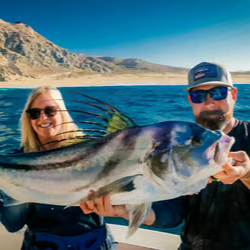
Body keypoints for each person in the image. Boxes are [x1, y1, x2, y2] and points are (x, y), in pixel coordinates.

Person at [80, 62, 250, 250]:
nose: (209, 102)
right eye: (198, 95)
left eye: (218, 93)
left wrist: (247, 174)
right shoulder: (181, 147)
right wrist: (124, 209)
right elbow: (175, 212)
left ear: (233, 95)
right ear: (190, 100)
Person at [0, 86, 117, 250]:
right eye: (34, 113)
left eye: (50, 110)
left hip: (94, 245)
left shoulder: (92, 150)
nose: (42, 117)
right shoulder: (16, 161)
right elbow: (13, 224)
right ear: (28, 119)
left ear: (62, 112)